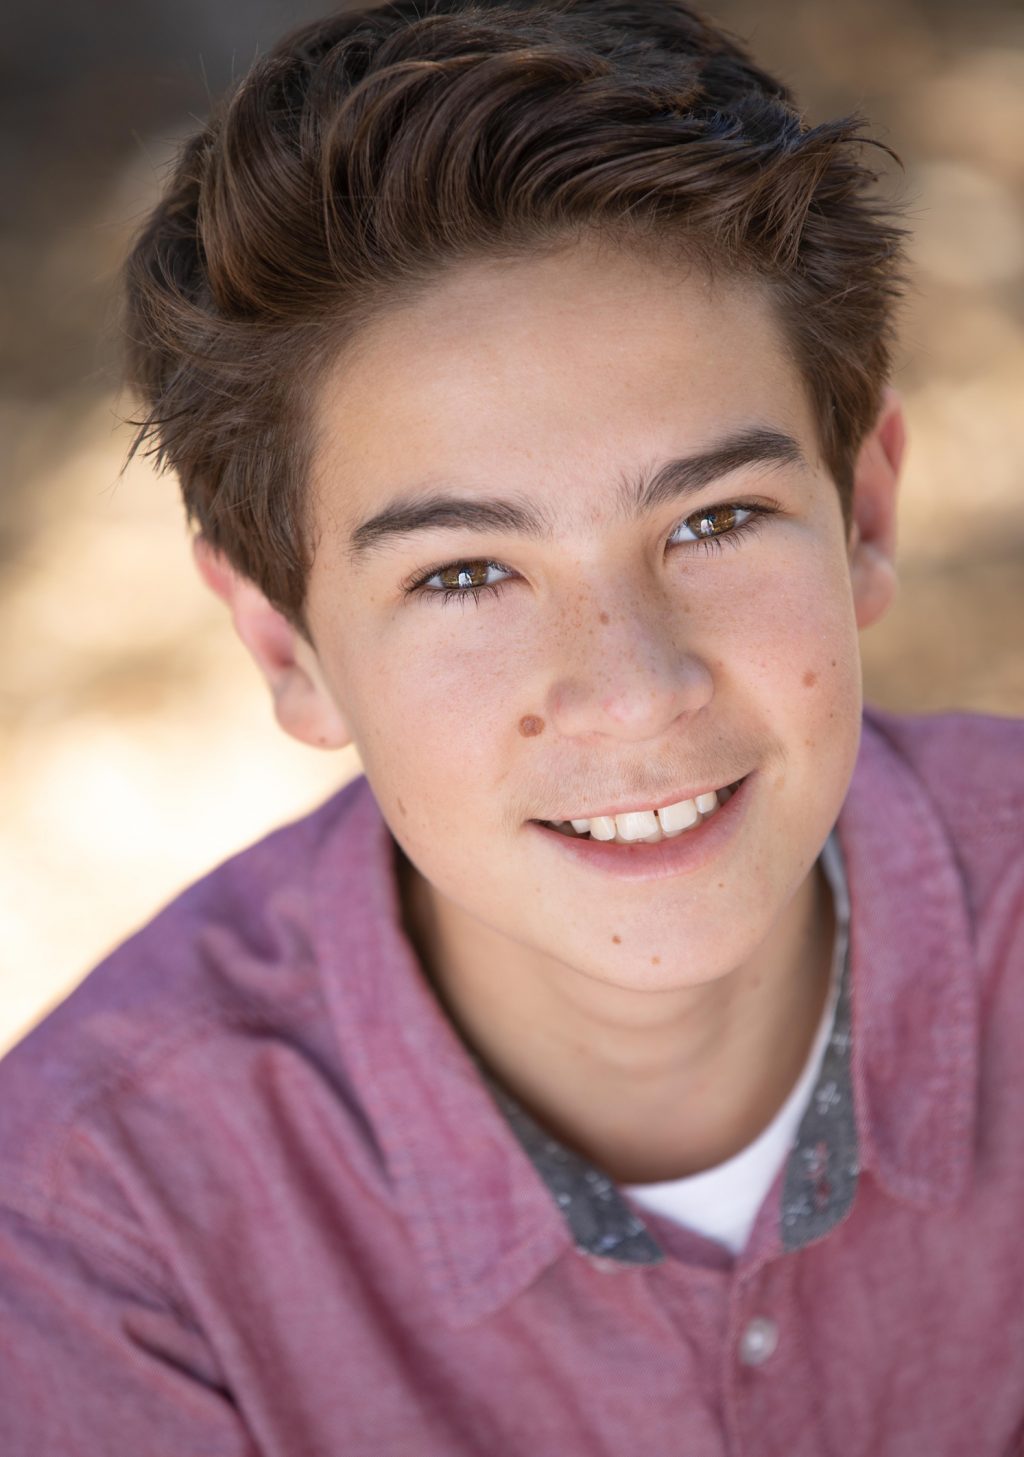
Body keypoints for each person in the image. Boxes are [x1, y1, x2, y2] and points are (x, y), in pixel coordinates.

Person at [1, 1, 1022, 1452]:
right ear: (286, 643)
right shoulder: (99, 1242)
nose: (635, 689)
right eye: (465, 574)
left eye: (715, 519)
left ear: (862, 513)